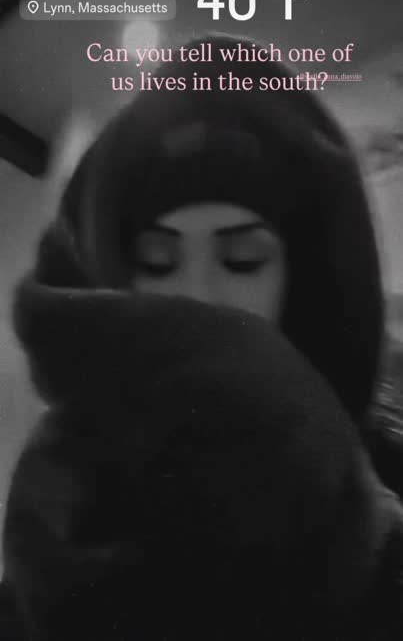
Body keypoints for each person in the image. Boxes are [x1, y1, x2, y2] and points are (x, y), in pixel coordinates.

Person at [1, 33, 403, 640]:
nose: (198, 297)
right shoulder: (62, 510)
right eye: (158, 262)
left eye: (242, 260)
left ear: (306, 284)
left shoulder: (380, 530)